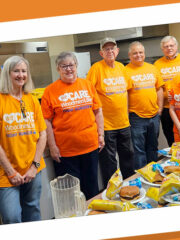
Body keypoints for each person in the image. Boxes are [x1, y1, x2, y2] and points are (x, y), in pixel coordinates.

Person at [0, 56, 47, 224]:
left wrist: (34, 166)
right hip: (5, 173)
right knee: (12, 218)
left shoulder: (31, 99)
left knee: (33, 211)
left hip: (32, 169)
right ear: (7, 74)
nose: (21, 75)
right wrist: (10, 171)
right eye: (16, 71)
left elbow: (42, 135)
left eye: (24, 71)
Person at [41, 51, 104, 200]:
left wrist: (101, 134)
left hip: (90, 146)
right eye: (64, 66)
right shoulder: (50, 91)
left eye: (71, 65)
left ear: (76, 66)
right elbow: (46, 121)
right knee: (71, 195)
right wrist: (52, 146)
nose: (68, 69)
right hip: (65, 152)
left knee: (92, 188)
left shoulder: (87, 85)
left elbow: (98, 112)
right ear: (58, 69)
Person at [87, 38, 134, 187]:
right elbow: (89, 93)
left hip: (124, 123)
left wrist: (126, 113)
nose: (110, 51)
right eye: (106, 49)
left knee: (128, 157)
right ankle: (112, 191)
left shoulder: (122, 67)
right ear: (101, 53)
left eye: (112, 48)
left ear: (117, 51)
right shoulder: (96, 68)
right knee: (109, 162)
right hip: (106, 126)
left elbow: (126, 91)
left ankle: (129, 186)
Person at [125, 41, 164, 170]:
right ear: (130, 55)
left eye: (140, 52)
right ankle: (141, 176)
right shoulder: (125, 71)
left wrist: (160, 109)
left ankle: (153, 174)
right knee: (138, 150)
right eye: (135, 53)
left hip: (154, 115)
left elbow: (159, 89)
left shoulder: (152, 68)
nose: (138, 55)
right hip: (136, 117)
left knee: (153, 147)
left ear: (144, 53)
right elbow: (123, 95)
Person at [154, 36, 180, 147]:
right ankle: (174, 158)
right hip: (166, 108)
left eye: (171, 45)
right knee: (170, 136)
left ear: (176, 46)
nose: (169, 48)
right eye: (166, 46)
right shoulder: (157, 64)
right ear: (162, 49)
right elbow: (156, 86)